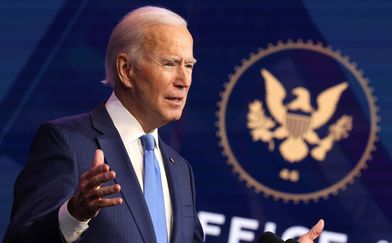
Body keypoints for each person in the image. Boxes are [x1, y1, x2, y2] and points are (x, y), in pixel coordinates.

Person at [4, 6, 324, 243]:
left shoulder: (179, 168)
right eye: (170, 64)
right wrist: (74, 214)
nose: (184, 80)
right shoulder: (67, 141)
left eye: (189, 65)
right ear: (126, 70)